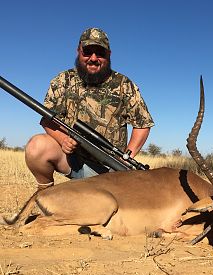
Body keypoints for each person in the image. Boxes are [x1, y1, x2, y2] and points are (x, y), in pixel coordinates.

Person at [25, 27, 154, 190]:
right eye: (87, 52)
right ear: (78, 51)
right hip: (73, 161)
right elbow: (47, 118)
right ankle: (43, 194)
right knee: (36, 146)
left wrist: (127, 156)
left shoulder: (124, 84)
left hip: (112, 168)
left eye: (100, 53)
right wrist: (63, 140)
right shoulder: (63, 80)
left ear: (109, 55)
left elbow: (142, 124)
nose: (93, 58)